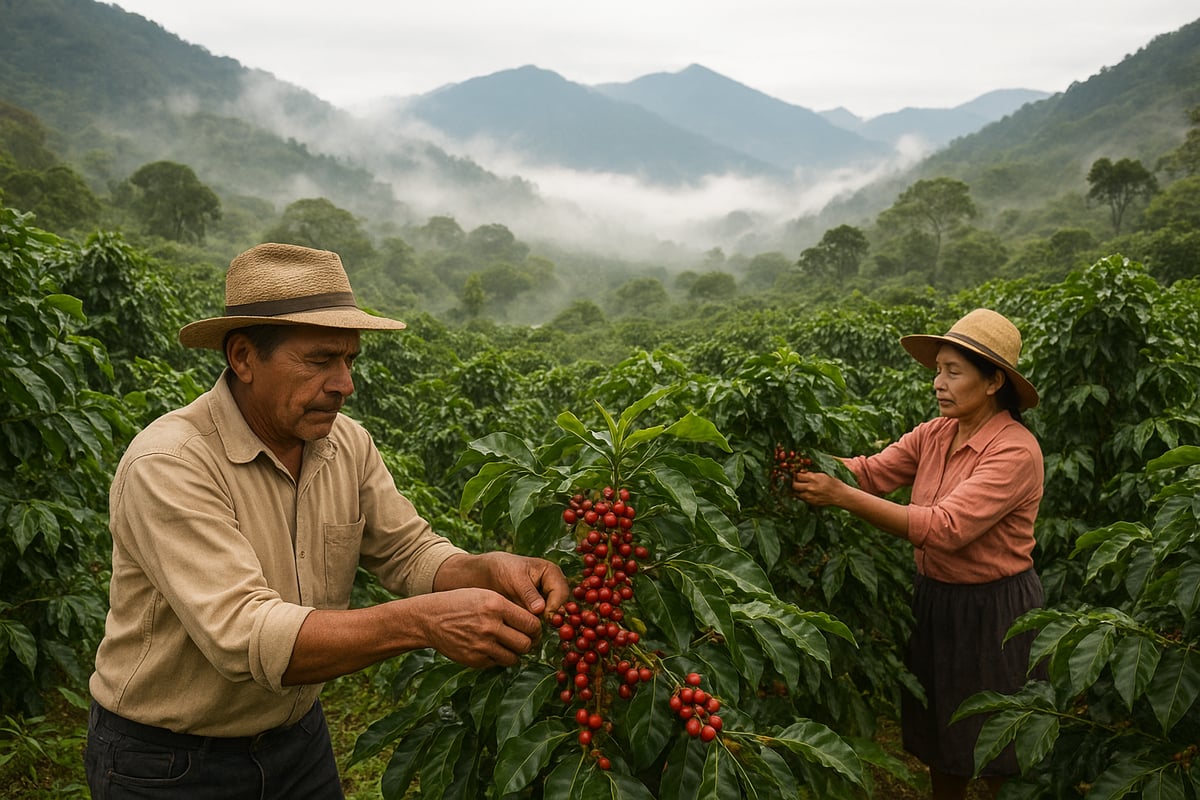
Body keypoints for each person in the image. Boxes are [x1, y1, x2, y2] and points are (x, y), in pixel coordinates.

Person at [85, 242, 569, 799]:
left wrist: (485, 569)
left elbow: (408, 552)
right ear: (243, 357)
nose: (345, 384)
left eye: (349, 360)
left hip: (298, 743)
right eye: (320, 360)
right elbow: (243, 635)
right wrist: (423, 622)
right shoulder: (170, 463)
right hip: (168, 763)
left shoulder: (347, 444)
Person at [790, 308, 1045, 800]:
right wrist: (805, 463)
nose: (939, 384)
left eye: (954, 372)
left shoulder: (1015, 452)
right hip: (935, 599)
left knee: (997, 742)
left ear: (993, 382)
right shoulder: (935, 433)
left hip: (994, 609)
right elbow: (869, 472)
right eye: (937, 372)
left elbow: (945, 529)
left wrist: (839, 496)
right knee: (941, 733)